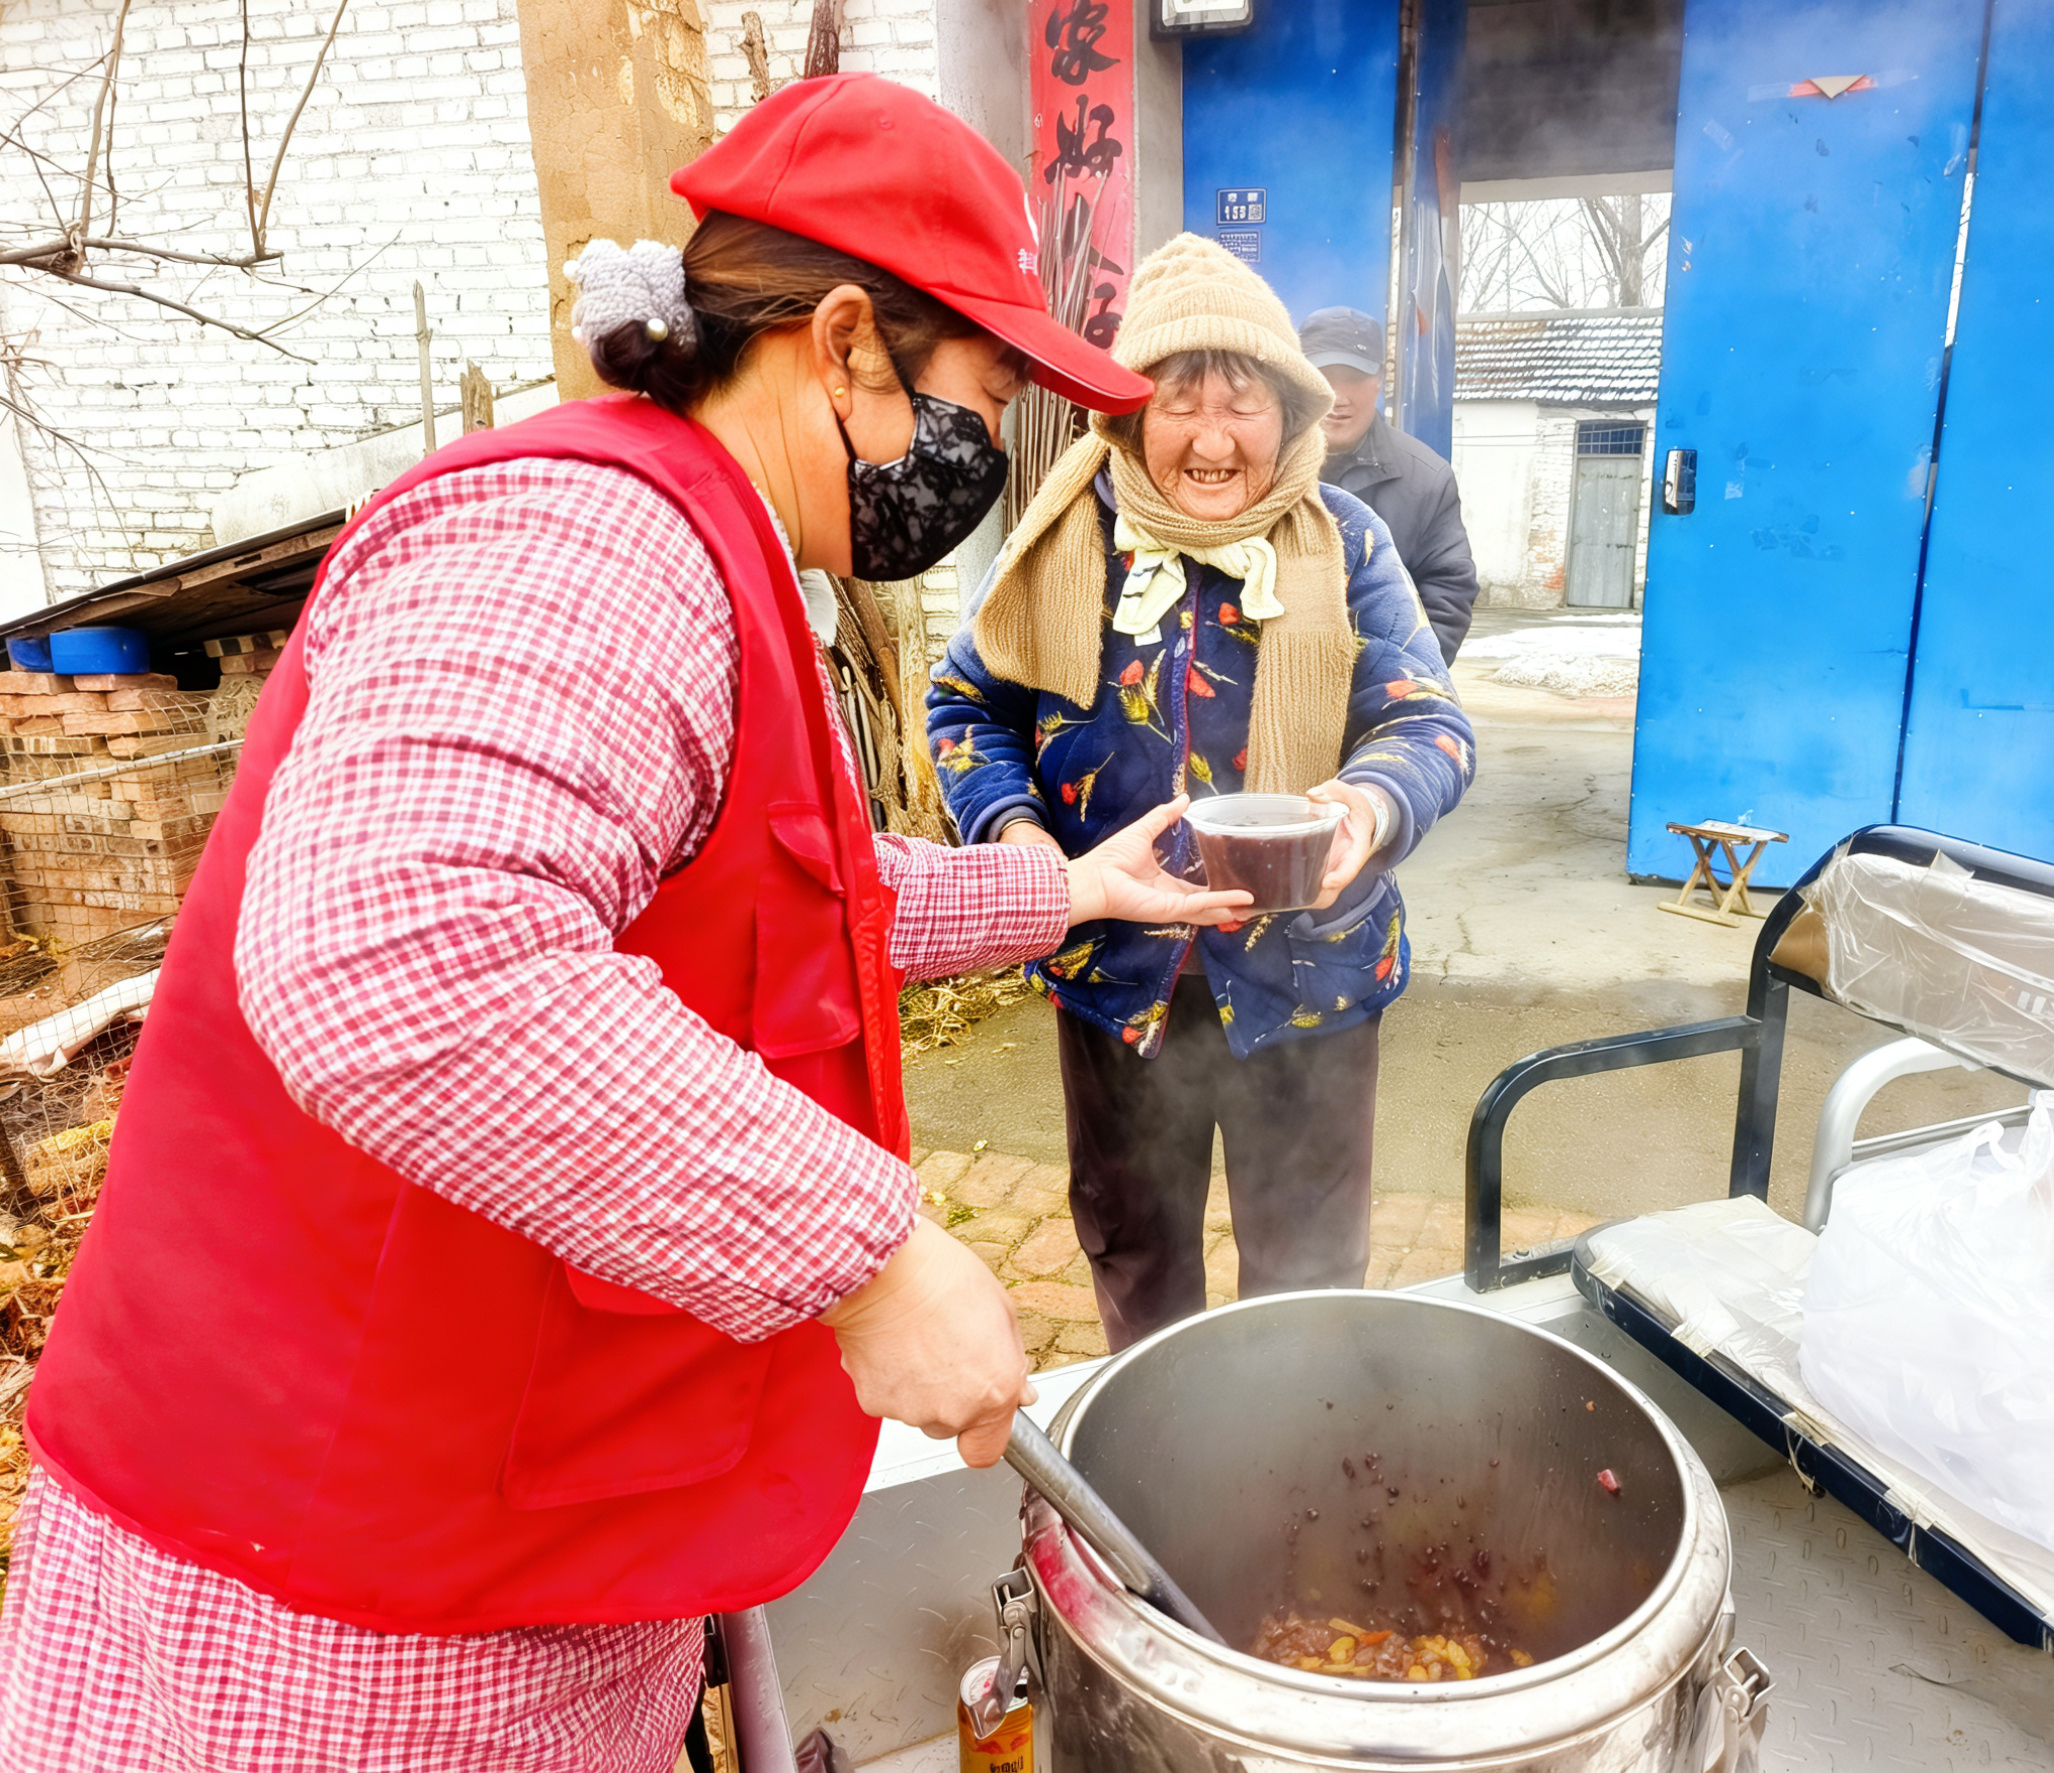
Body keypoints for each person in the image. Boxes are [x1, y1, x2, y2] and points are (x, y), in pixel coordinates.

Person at [0, 76, 1252, 1772]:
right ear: (844, 344)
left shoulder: (718, 546)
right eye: (987, 397)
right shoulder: (589, 538)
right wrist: (869, 1255)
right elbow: (401, 950)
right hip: (340, 1611)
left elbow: (786, 897)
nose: (989, 454)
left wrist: (1079, 885)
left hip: (525, 1535)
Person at [927, 237, 1475, 1353]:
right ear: (1128, 416)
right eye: (1180, 401)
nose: (1213, 439)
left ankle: (1294, 1441)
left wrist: (1367, 808)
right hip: (1116, 971)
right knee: (1134, 1249)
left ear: (1291, 413)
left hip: (1312, 970)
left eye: (1242, 403)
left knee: (1309, 1274)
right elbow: (964, 705)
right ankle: (1152, 1436)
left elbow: (1429, 721)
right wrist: (1026, 843)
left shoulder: (1346, 540)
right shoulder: (1061, 540)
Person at [1300, 306, 1481, 664]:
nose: (1339, 396)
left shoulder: (1427, 479)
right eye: (1324, 376)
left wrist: (1393, 681)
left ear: (1379, 379)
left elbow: (1447, 595)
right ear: (1298, 378)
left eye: (1354, 377)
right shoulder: (1254, 463)